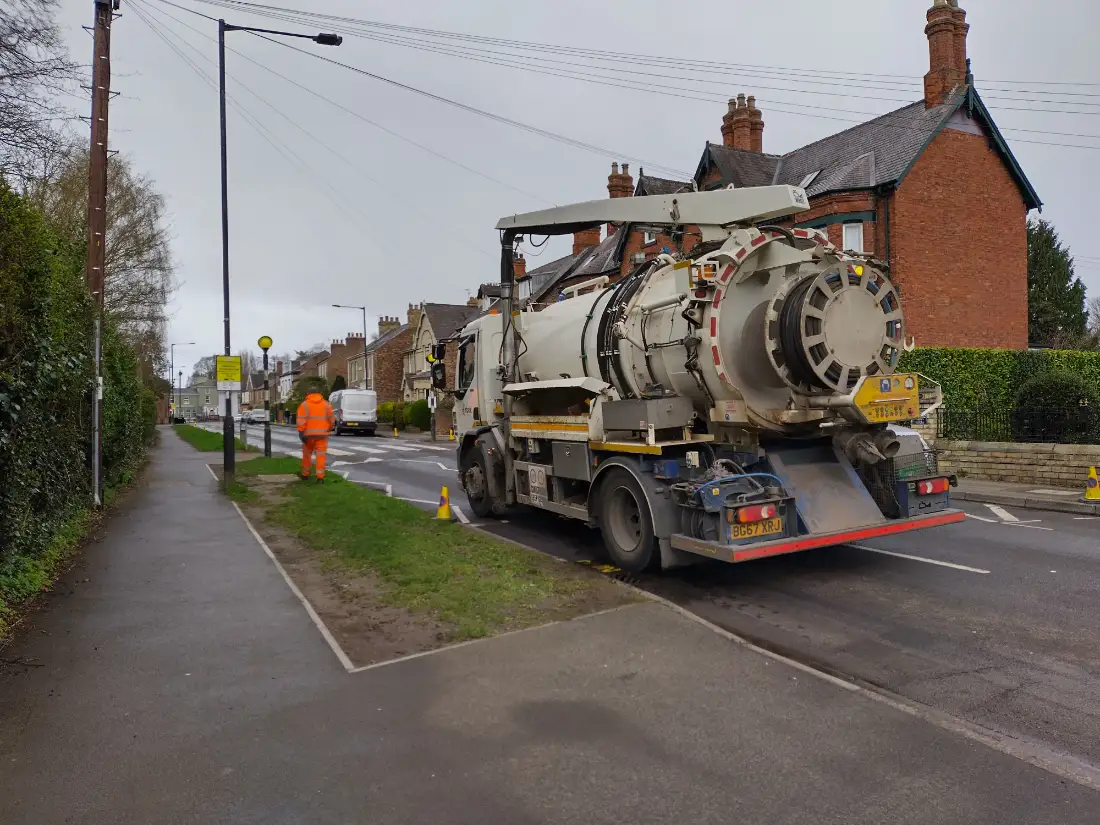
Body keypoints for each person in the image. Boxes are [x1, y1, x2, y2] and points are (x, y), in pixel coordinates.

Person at [296, 390, 334, 482]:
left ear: (308, 394)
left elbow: (301, 420)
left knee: (307, 455)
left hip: (308, 436)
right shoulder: (326, 405)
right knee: (320, 456)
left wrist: (301, 432)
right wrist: (328, 429)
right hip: (322, 435)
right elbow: (332, 421)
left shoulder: (304, 405)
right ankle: (320, 477)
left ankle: (305, 474)